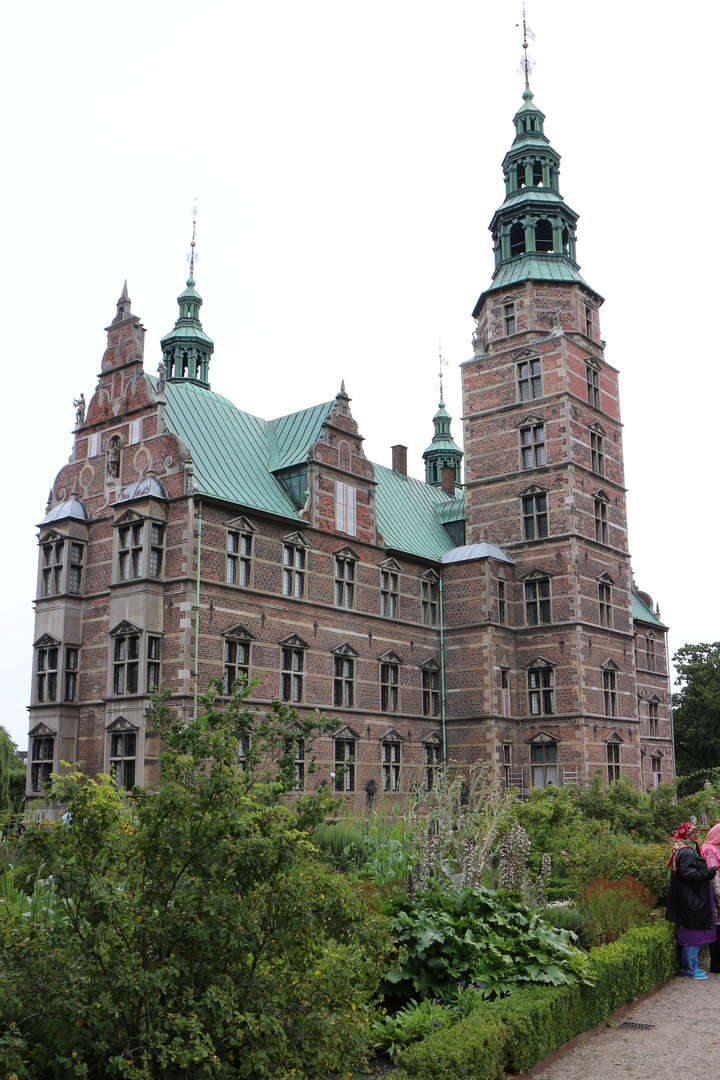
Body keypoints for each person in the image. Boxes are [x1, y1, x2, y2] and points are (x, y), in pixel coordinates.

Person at [665, 822, 717, 979]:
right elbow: (688, 874)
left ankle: (692, 966)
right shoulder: (686, 851)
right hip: (690, 898)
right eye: (692, 832)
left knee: (694, 932)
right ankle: (689, 969)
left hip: (690, 897)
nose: (696, 835)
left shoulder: (686, 849)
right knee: (691, 934)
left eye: (696, 832)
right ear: (684, 834)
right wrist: (708, 873)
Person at [701, 822, 720, 973]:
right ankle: (717, 964)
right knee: (718, 929)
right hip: (716, 898)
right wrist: (719, 896)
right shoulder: (710, 850)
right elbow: (713, 876)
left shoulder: (715, 848)